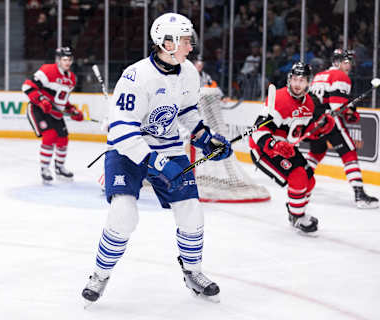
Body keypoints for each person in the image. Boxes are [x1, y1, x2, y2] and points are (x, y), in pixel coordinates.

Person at [81, 12, 232, 304]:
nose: (191, 47)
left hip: (168, 147)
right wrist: (157, 164)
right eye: (186, 41)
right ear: (167, 42)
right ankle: (100, 274)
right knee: (124, 214)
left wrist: (205, 138)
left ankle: (193, 272)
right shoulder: (136, 76)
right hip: (127, 150)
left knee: (191, 210)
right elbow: (123, 131)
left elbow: (187, 111)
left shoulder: (188, 71)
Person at [249, 62, 335, 233]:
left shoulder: (309, 103)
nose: (297, 84)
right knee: (298, 176)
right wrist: (275, 145)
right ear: (289, 79)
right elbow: (258, 131)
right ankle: (297, 216)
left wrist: (320, 127)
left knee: (310, 180)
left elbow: (304, 132)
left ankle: (295, 210)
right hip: (264, 150)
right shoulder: (279, 99)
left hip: (286, 148)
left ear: (308, 82)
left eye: (301, 80)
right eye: (294, 79)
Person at [307, 49, 378, 209]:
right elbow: (337, 106)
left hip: (313, 121)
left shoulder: (319, 76)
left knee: (316, 153)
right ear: (337, 63)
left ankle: (301, 182)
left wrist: (349, 106)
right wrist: (350, 111)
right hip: (329, 120)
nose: (349, 66)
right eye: (346, 62)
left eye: (350, 62)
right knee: (349, 152)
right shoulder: (340, 76)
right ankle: (359, 194)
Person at [22, 47, 84, 183]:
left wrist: (72, 110)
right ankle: (44, 169)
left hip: (54, 113)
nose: (67, 62)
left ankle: (59, 167)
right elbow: (27, 87)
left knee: (63, 139)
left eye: (69, 59)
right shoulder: (47, 70)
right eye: (64, 59)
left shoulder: (72, 79)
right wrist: (41, 100)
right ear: (58, 60)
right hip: (38, 109)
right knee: (50, 136)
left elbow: (61, 100)